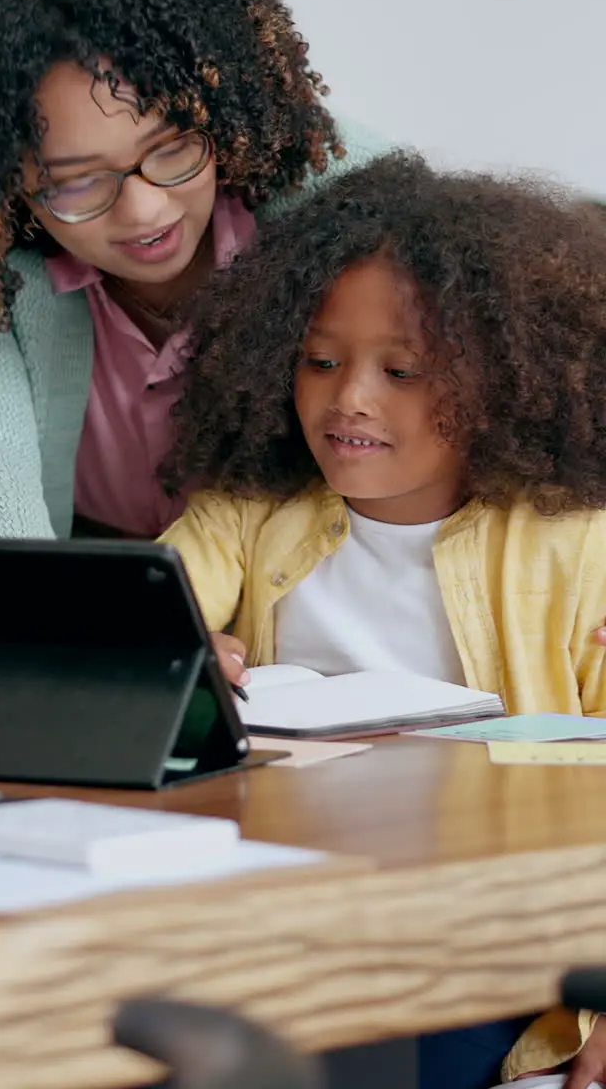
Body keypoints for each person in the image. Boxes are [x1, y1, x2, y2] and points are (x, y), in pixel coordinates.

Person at [158, 151, 606, 1089]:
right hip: (287, 917)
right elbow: (127, 635)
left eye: (403, 370)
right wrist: (188, 668)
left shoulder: (577, 548)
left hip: (485, 943)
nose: (349, 397)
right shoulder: (244, 516)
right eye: (320, 359)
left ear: (512, 382)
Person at [0, 0, 382, 539]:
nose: (146, 211)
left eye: (173, 147)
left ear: (223, 112)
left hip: (296, 581)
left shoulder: (342, 195)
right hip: (65, 583)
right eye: (75, 180)